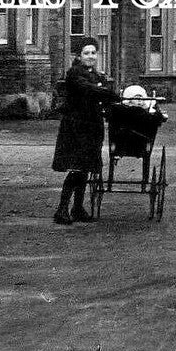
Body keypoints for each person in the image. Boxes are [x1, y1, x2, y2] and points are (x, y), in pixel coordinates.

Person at [52, 38, 119, 224]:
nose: (91, 56)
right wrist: (108, 93)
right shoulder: (75, 73)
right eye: (86, 53)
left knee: (86, 168)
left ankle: (78, 208)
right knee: (77, 167)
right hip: (76, 127)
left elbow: (102, 96)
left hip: (92, 127)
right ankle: (62, 209)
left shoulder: (97, 75)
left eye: (93, 53)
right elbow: (88, 90)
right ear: (78, 56)